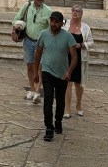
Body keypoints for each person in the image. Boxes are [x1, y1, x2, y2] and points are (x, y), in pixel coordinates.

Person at [33, 11, 78, 141]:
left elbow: (74, 57)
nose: (53, 24)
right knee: (48, 99)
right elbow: (38, 53)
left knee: (60, 100)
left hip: (62, 74)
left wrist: (69, 72)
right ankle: (48, 127)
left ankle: (58, 121)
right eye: (52, 21)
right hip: (47, 71)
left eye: (56, 22)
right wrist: (36, 72)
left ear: (61, 23)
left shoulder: (68, 37)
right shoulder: (43, 34)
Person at [13, 0, 53, 103]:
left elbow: (52, 27)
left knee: (40, 67)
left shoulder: (48, 11)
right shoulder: (27, 6)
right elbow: (16, 19)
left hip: (41, 44)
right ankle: (31, 89)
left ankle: (37, 92)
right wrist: (16, 27)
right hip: (28, 41)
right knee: (30, 66)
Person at [64, 4, 95, 118]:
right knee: (67, 82)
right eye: (73, 10)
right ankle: (67, 109)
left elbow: (91, 43)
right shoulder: (65, 24)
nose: (75, 12)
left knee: (78, 83)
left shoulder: (86, 27)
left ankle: (78, 105)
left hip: (80, 57)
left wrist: (81, 45)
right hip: (66, 57)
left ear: (81, 14)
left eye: (78, 11)